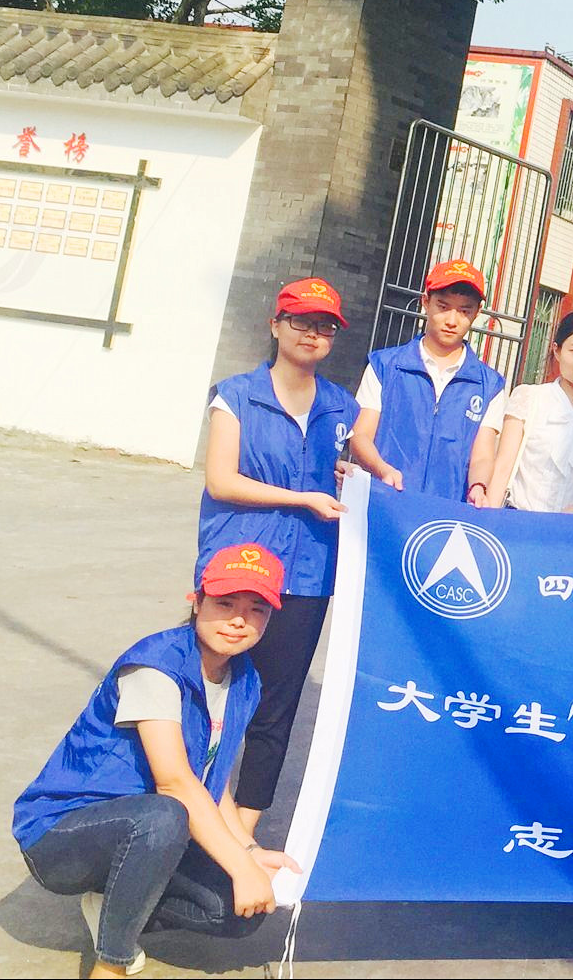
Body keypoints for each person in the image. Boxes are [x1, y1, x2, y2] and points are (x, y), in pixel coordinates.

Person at [13, 545, 300, 978]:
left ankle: (111, 905)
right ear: (197, 601)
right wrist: (240, 865)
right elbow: (175, 783)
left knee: (240, 910)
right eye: (225, 604)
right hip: (61, 834)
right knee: (164, 817)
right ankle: (111, 964)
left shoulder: (244, 680)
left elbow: (211, 776)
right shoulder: (156, 666)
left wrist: (250, 851)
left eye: (255, 609)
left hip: (149, 829)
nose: (239, 620)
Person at [196, 276, 358, 834]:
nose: (313, 334)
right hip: (237, 565)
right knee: (209, 697)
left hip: (307, 574)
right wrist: (303, 497)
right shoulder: (236, 396)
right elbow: (221, 480)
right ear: (276, 326)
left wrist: (351, 475)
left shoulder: (342, 407)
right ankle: (194, 816)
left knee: (276, 708)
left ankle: (242, 830)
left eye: (325, 326)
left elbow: (351, 471)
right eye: (301, 322)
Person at [347, 258, 507, 503]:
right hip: (386, 501)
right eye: (443, 306)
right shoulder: (385, 366)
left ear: (477, 313)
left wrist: (478, 486)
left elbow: (483, 455)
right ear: (425, 302)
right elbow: (360, 436)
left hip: (446, 511)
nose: (452, 320)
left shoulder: (489, 385)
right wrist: (382, 470)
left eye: (464, 311)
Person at [480, 309, 573, 513]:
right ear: (557, 351)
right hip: (520, 518)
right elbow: (503, 468)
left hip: (572, 526)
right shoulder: (529, 398)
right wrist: (490, 520)